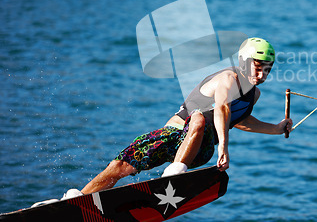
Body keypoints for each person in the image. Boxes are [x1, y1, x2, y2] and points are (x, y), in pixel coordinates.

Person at [34, 37, 292, 205]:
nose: (262, 73)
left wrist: (276, 129)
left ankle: (175, 174)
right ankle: (74, 200)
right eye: (258, 66)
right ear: (244, 63)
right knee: (120, 167)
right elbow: (223, 108)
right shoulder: (228, 79)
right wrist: (225, 148)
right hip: (174, 134)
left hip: (199, 148)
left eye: (267, 68)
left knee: (200, 120)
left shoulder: (253, 95)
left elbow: (240, 120)